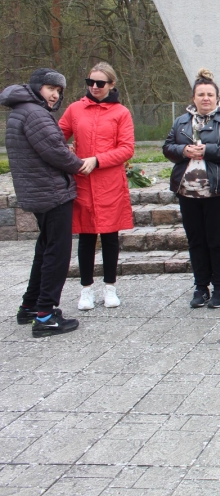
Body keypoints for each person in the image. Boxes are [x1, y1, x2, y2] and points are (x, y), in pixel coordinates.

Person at [1, 69, 83, 337]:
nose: (55, 94)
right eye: (50, 88)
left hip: (38, 192)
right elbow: (55, 152)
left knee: (45, 248)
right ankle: (45, 315)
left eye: (58, 90)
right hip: (51, 192)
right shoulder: (35, 113)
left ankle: (30, 305)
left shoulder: (21, 111)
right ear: (37, 87)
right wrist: (81, 165)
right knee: (57, 253)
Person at [163, 69, 220, 309]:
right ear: (194, 97)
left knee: (218, 241)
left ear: (217, 98)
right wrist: (183, 151)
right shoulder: (181, 121)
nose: (206, 98)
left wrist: (207, 150)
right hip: (188, 192)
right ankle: (201, 287)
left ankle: (219, 287)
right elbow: (167, 147)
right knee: (195, 241)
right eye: (201, 94)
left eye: (210, 94)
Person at [59, 62, 134, 311]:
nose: (94, 87)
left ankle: (110, 287)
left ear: (111, 85)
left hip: (109, 182)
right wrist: (67, 149)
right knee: (86, 236)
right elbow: (56, 134)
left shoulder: (121, 113)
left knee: (110, 236)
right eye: (90, 82)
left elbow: (126, 148)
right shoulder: (74, 109)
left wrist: (98, 160)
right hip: (83, 181)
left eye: (100, 83)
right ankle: (86, 289)